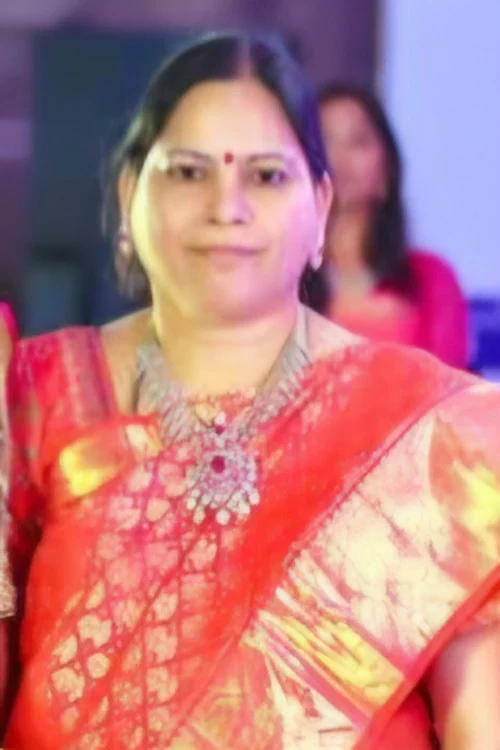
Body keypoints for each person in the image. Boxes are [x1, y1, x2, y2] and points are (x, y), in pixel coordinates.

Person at [0, 32, 499, 750]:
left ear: (320, 207)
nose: (226, 206)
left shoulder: (428, 436)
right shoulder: (32, 396)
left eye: (266, 176)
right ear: (130, 193)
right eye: (188, 172)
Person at [310, 83, 469, 369]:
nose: (338, 158)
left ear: (386, 171)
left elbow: (450, 386)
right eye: (324, 140)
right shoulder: (280, 280)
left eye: (357, 142)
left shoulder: (431, 281)